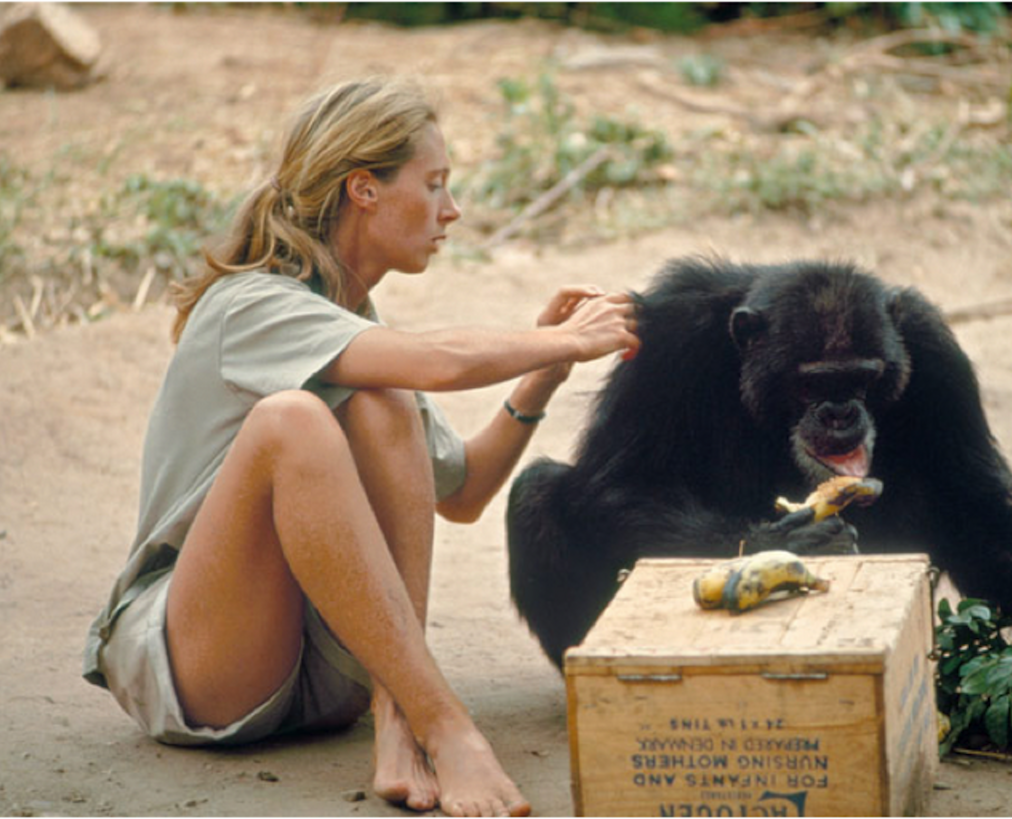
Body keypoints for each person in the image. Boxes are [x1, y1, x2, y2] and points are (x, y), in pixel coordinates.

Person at [82, 77, 638, 817]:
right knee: (294, 420)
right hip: (205, 669)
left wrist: (545, 372)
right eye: (434, 184)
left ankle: (398, 715)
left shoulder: (353, 328)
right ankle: (441, 722)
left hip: (328, 674)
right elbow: (436, 358)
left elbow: (464, 490)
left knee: (382, 397)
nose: (452, 209)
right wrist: (564, 334)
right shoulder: (251, 305)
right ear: (363, 190)